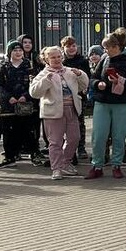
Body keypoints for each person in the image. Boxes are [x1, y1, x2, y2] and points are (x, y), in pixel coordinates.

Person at [86, 33, 126, 179]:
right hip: (102, 101)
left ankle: (116, 165)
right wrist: (97, 84)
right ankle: (97, 165)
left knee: (119, 136)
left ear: (116, 47)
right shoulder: (105, 59)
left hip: (122, 103)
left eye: (107, 48)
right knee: (98, 136)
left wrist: (122, 81)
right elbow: (93, 77)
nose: (105, 51)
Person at [29, 45, 90, 180]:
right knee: (55, 141)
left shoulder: (69, 71)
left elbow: (83, 85)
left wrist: (81, 75)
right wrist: (46, 80)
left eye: (58, 57)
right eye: (53, 57)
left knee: (74, 138)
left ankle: (65, 163)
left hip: (71, 109)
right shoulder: (44, 74)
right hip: (52, 111)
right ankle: (56, 168)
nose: (57, 60)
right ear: (46, 60)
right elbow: (34, 92)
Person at [0, 41, 40, 169]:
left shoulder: (29, 66)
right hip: (9, 107)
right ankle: (10, 157)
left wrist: (26, 95)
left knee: (29, 130)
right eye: (15, 50)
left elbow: (35, 84)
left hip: (26, 105)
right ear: (9, 52)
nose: (18, 53)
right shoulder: (4, 67)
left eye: (20, 50)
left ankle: (34, 154)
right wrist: (8, 97)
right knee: (9, 132)